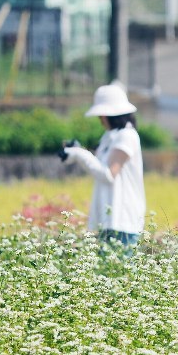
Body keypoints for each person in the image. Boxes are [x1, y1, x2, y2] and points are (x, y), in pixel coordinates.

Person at [59, 83, 145, 248]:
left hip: (122, 220)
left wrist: (79, 154)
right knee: (107, 271)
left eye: (101, 115)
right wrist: (76, 150)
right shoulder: (110, 136)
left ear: (108, 115)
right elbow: (98, 162)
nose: (100, 120)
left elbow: (108, 174)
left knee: (117, 272)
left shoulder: (127, 136)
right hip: (107, 219)